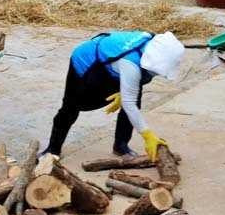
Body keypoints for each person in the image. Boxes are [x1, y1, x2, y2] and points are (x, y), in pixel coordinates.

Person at [43, 30, 185, 158]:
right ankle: (52, 150)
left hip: (112, 66)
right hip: (87, 63)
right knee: (71, 107)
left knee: (133, 102)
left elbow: (136, 87)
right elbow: (129, 103)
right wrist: (148, 135)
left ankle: (121, 146)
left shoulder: (151, 46)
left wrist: (125, 93)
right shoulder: (130, 64)